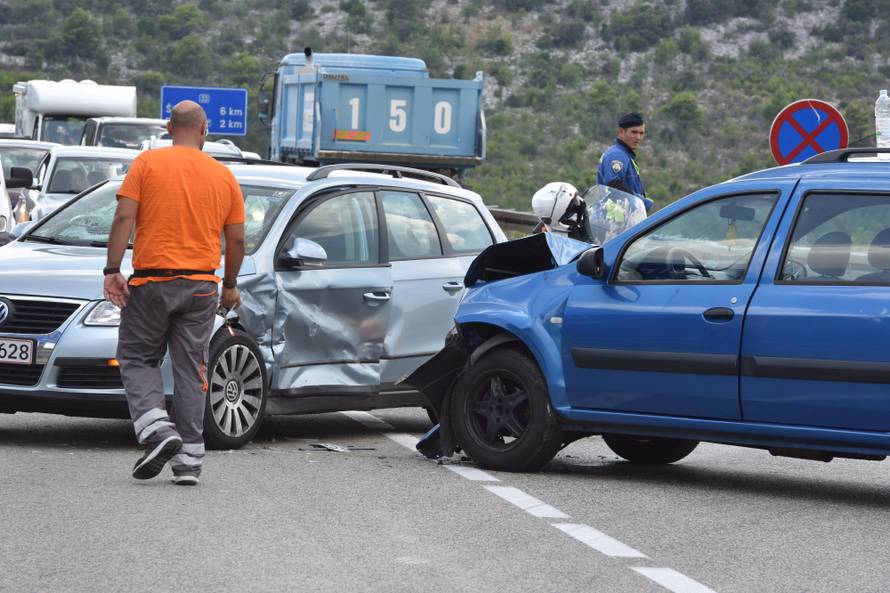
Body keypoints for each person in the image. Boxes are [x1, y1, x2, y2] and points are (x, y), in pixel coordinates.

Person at [103, 100, 245, 486]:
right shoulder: (223, 175)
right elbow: (236, 239)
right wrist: (229, 285)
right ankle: (189, 462)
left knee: (136, 356)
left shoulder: (147, 164)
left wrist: (113, 269)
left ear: (169, 127)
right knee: (191, 369)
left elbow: (123, 217)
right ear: (205, 130)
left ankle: (156, 430)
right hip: (201, 286)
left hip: (152, 282)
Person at [597, 112, 654, 211]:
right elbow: (614, 185)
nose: (638, 138)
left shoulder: (625, 155)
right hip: (614, 222)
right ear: (621, 132)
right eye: (634, 132)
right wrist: (642, 203)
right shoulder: (617, 155)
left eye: (641, 133)